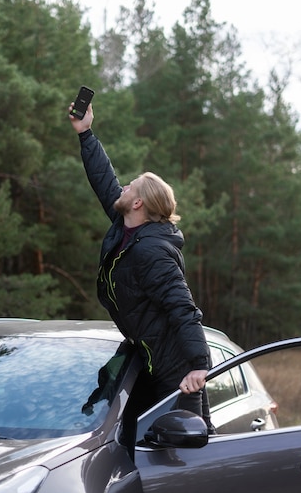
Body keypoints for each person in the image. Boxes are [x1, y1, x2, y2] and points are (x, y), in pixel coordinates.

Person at [68, 101, 214, 449]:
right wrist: (86, 133)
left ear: (138, 205)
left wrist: (198, 366)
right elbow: (105, 182)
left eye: (130, 188)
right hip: (148, 363)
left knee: (181, 461)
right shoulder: (126, 228)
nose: (122, 189)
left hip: (178, 376)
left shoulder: (152, 252)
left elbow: (182, 307)